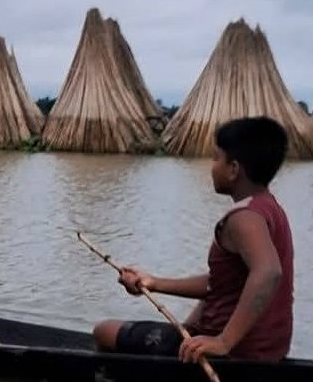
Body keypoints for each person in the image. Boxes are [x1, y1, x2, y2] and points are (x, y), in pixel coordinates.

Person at [92, 116, 294, 363]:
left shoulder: (244, 218)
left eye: (216, 157)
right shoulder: (270, 208)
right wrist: (153, 283)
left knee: (103, 331)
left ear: (233, 170)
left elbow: (268, 272)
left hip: (235, 351)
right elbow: (222, 284)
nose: (212, 166)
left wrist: (223, 341)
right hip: (270, 350)